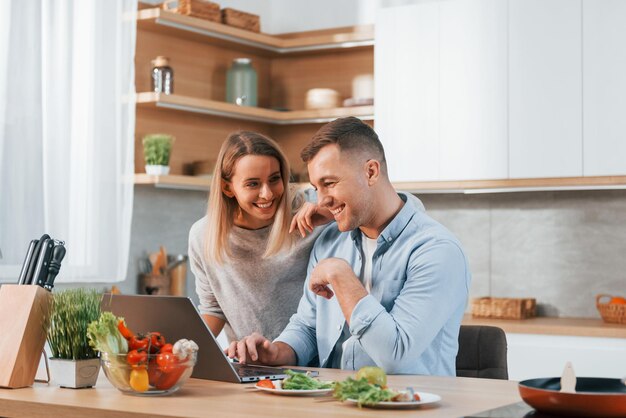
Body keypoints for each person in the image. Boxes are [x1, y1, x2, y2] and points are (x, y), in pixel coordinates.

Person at [226, 117, 471, 376]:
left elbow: (395, 355)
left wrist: (340, 275)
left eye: (329, 183)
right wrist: (276, 352)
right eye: (316, 187)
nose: (322, 200)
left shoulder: (436, 251)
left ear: (371, 172)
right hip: (335, 403)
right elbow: (308, 328)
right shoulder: (330, 242)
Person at [188, 131, 331, 344]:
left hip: (314, 361)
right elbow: (214, 309)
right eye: (253, 184)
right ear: (228, 188)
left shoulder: (309, 217)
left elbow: (366, 212)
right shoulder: (203, 236)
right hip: (252, 362)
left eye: (274, 179)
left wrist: (330, 213)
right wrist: (180, 350)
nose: (267, 194)